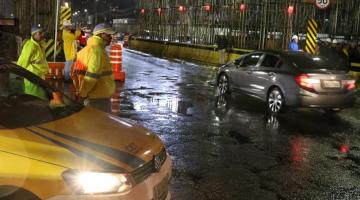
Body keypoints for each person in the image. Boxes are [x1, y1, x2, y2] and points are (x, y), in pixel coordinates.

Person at [71, 23, 116, 112]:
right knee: (101, 124)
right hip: (98, 98)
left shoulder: (89, 49)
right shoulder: (97, 51)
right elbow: (91, 76)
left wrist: (81, 93)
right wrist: (83, 94)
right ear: (101, 34)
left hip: (94, 96)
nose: (111, 37)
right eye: (109, 35)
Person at [17, 25, 48, 100]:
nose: (42, 35)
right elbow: (22, 61)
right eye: (39, 33)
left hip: (39, 75)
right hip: (32, 76)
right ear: (33, 34)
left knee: (39, 97)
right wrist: (23, 72)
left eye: (42, 33)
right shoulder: (30, 45)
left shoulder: (39, 44)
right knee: (32, 97)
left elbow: (42, 60)